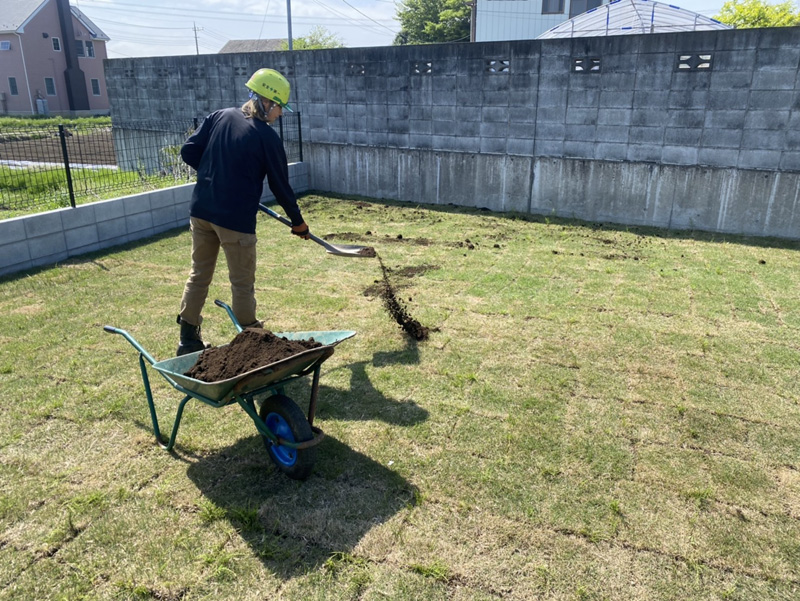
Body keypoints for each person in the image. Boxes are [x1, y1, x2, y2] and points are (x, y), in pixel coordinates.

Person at [175, 68, 310, 356]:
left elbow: (188, 151)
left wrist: (216, 176)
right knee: (242, 282)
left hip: (201, 210)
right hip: (234, 220)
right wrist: (298, 223)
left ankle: (187, 339)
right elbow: (281, 186)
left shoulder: (219, 116)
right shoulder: (267, 138)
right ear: (265, 102)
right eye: (279, 108)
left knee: (199, 273)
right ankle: (252, 343)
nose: (281, 115)